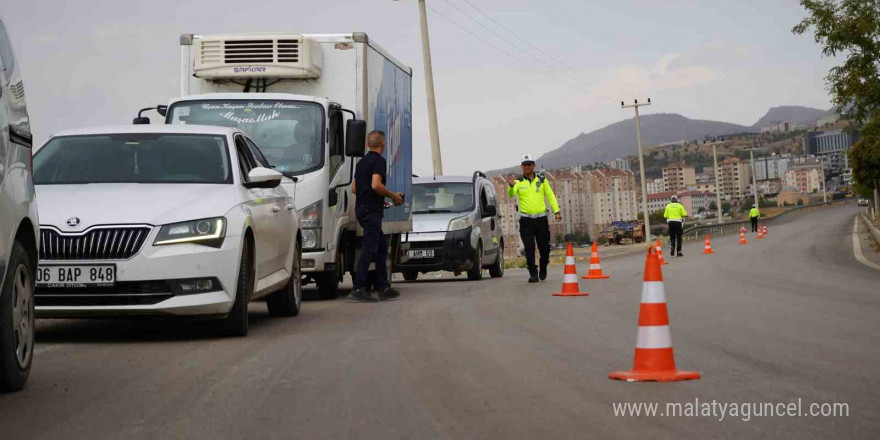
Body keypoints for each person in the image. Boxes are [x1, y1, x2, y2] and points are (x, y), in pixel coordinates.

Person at [349, 130, 404, 303]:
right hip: (371, 212)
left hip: (361, 209)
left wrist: (376, 199)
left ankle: (383, 287)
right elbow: (375, 185)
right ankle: (358, 288)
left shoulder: (361, 162)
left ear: (367, 144)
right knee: (369, 248)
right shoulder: (379, 161)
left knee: (380, 247)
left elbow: (354, 189)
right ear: (383, 145)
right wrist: (393, 196)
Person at [507, 154, 561, 283]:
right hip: (526, 220)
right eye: (525, 165)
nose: (527, 167)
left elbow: (551, 196)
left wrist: (557, 211)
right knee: (529, 247)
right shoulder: (519, 182)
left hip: (541, 219)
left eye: (529, 164)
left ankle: (543, 266)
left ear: (534, 166)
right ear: (521, 167)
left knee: (544, 248)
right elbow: (511, 194)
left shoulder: (542, 180)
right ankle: (533, 272)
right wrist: (510, 185)